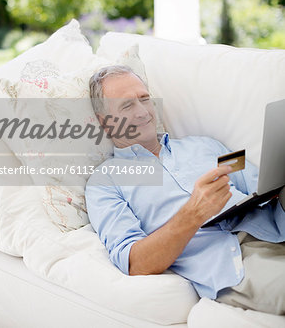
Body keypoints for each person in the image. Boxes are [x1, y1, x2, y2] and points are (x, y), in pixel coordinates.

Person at [85, 65, 285, 315]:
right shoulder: (104, 182)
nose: (143, 112)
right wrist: (193, 213)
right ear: (105, 122)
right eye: (127, 106)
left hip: (277, 228)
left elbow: (263, 184)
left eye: (145, 99)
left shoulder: (206, 145)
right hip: (236, 263)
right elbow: (134, 262)